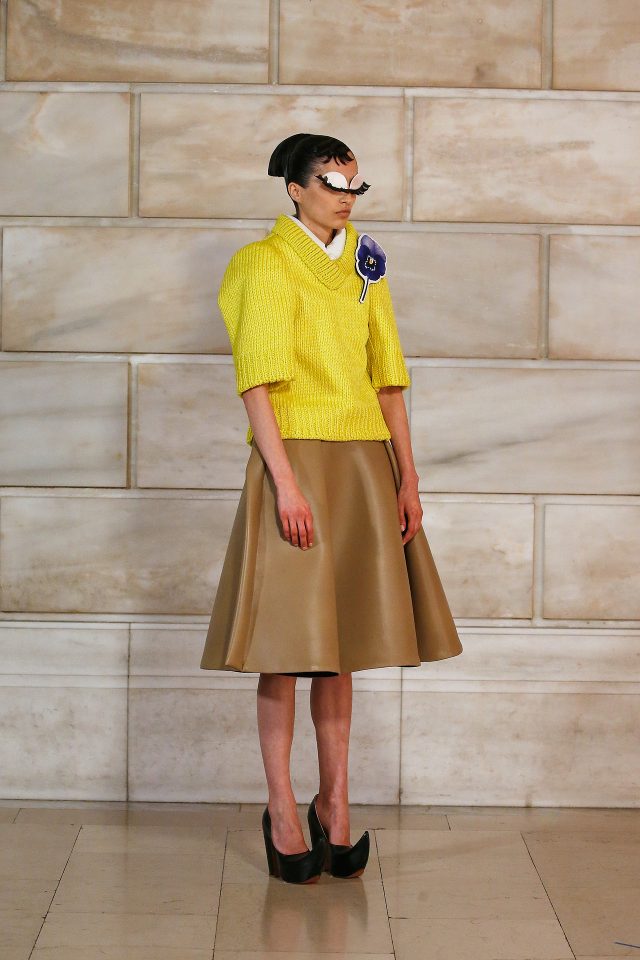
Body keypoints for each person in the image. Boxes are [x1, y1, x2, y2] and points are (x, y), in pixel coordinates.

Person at [200, 132, 463, 884]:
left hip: (363, 461)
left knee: (340, 646)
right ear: (294, 188)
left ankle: (336, 804)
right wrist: (284, 482)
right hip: (295, 458)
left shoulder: (366, 264)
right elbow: (256, 381)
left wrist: (408, 476)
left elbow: (388, 377)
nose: (345, 197)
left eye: (353, 184)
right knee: (288, 644)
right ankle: (283, 810)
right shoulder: (261, 262)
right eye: (330, 183)